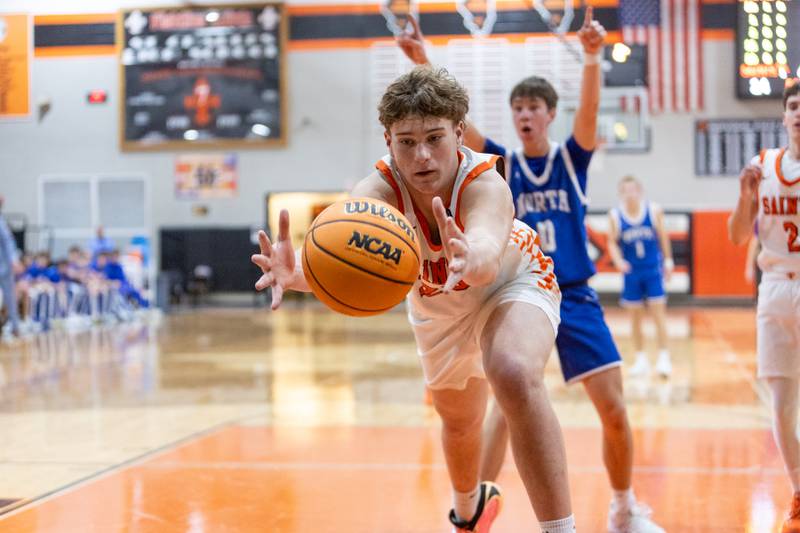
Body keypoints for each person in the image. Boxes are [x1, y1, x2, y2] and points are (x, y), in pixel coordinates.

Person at [251, 66, 577, 533]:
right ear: (388, 141)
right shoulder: (375, 194)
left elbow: (485, 250)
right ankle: (469, 512)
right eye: (406, 141)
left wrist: (474, 256)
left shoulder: (485, 182)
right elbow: (348, 258)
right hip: (438, 307)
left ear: (459, 132)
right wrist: (301, 271)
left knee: (512, 372)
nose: (422, 155)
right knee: (460, 423)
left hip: (511, 281)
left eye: (434, 138)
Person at [395, 8, 664, 532]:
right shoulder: (499, 163)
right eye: (518, 106)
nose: (524, 114)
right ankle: (476, 516)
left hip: (573, 292)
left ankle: (624, 506)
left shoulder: (570, 159)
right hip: (509, 294)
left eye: (534, 106)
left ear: (548, 114)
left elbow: (589, 114)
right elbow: (452, 125)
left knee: (612, 407)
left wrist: (591, 57)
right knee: (505, 400)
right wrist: (423, 60)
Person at [728, 81, 800, 533]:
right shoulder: (763, 166)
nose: (799, 113)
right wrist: (744, 198)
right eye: (793, 106)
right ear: (784, 116)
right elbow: (738, 235)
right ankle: (798, 490)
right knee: (780, 405)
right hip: (774, 287)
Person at [607, 176, 674, 378]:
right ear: (621, 193)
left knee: (658, 314)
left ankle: (664, 358)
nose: (630, 193)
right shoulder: (615, 215)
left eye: (633, 189)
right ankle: (641, 359)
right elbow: (611, 242)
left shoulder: (653, 210)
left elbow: (663, 236)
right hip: (632, 272)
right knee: (634, 317)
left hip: (653, 270)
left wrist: (669, 261)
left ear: (639, 191)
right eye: (625, 190)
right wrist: (618, 260)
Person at [0, 195, 22, 338]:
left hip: (4, 267)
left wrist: (14, 260)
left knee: (10, 297)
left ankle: (15, 327)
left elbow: (8, 242)